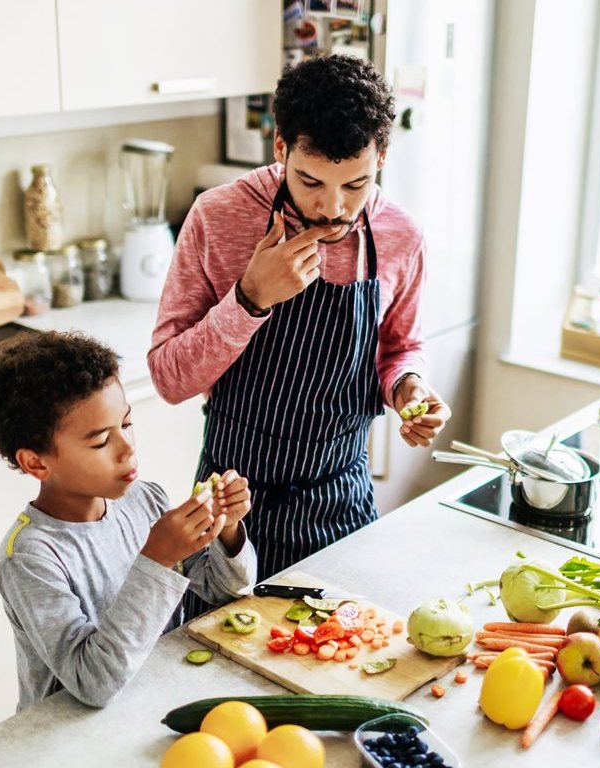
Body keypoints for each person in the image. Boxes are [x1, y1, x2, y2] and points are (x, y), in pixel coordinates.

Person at [148, 55, 451, 582]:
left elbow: (401, 347)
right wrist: (249, 299)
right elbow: (169, 380)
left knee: (342, 654)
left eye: (355, 185)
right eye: (311, 182)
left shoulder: (403, 236)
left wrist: (409, 388)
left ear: (381, 155)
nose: (332, 208)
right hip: (231, 507)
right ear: (281, 147)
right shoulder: (218, 218)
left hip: (342, 500)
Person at [0, 331, 256, 710]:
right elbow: (93, 682)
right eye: (100, 442)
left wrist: (227, 530)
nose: (128, 449)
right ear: (36, 462)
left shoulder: (146, 500)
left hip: (153, 706)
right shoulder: (30, 558)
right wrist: (156, 559)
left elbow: (226, 593)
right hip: (67, 739)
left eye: (125, 424)